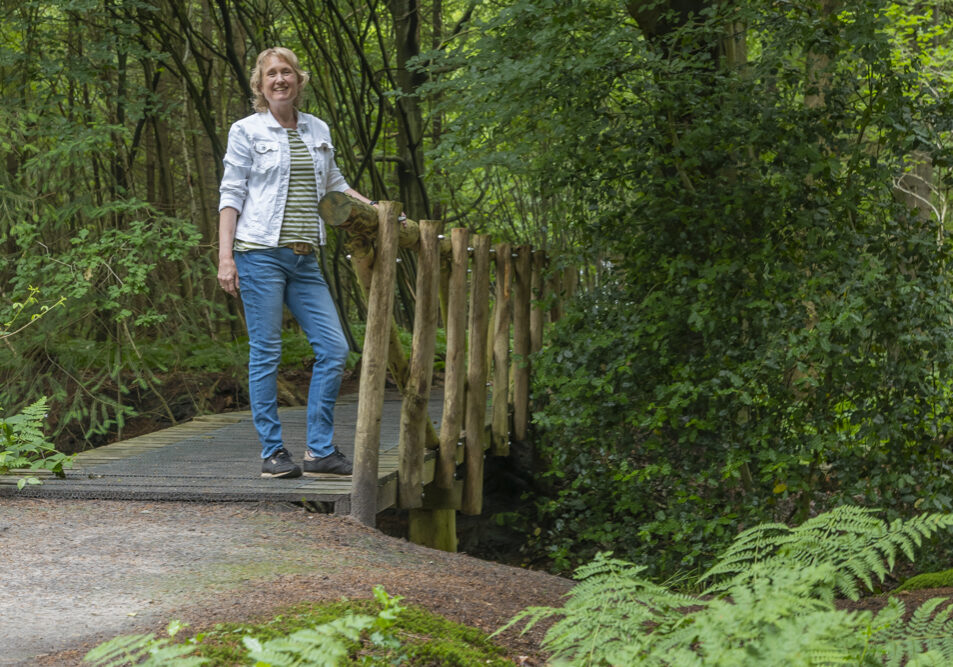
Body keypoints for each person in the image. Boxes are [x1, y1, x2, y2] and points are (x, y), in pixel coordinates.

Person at [217, 47, 376, 478]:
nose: (280, 79)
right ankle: (273, 453)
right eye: (271, 73)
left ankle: (319, 451)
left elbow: (336, 183)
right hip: (259, 255)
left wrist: (377, 209)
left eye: (286, 71)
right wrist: (225, 257)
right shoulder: (246, 130)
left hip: (307, 259)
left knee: (335, 348)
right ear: (260, 85)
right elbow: (231, 194)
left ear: (299, 80)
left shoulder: (317, 129)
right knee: (265, 354)